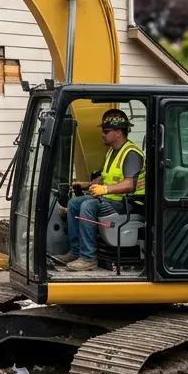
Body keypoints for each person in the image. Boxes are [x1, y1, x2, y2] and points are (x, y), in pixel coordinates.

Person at [58, 109, 145, 272]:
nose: (102, 134)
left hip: (127, 203)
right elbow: (108, 177)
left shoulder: (131, 154)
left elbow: (129, 185)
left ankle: (88, 258)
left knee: (88, 206)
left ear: (118, 132)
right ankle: (76, 251)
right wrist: (90, 184)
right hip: (112, 199)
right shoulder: (112, 151)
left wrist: (104, 189)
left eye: (106, 131)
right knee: (75, 203)